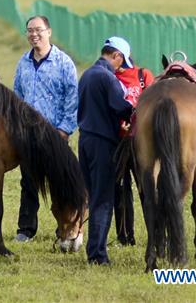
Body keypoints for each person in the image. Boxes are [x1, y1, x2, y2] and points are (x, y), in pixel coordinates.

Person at [12, 15, 79, 243]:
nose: (34, 35)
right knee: (28, 182)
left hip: (55, 135)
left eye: (38, 30)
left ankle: (65, 228)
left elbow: (72, 99)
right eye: (30, 31)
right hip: (28, 135)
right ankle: (26, 229)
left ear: (49, 32)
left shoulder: (63, 63)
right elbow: (17, 96)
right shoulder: (24, 62)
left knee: (59, 183)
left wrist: (64, 130)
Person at [77, 36, 136, 265]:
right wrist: (135, 111)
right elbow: (121, 108)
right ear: (116, 56)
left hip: (85, 141)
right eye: (121, 63)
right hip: (103, 143)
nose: (121, 67)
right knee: (103, 200)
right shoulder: (107, 77)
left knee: (94, 196)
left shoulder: (87, 74)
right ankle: (97, 256)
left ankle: (94, 249)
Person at [114, 55, 155, 246]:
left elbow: (154, 105)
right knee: (120, 191)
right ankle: (125, 237)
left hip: (141, 144)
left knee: (146, 189)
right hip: (117, 142)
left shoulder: (142, 75)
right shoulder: (109, 77)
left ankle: (154, 234)